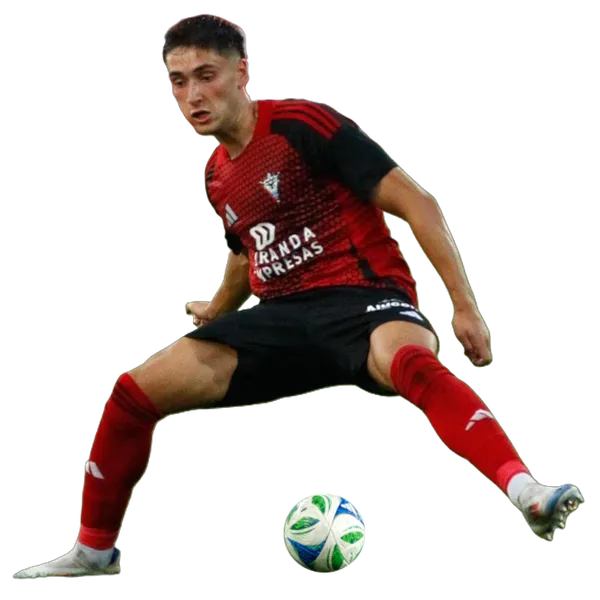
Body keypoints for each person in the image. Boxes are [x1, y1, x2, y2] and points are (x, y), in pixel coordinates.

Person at [12, 13, 583, 581]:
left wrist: (464, 305)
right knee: (133, 395)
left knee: (411, 363)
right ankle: (94, 552)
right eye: (178, 81)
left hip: (362, 297)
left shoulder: (300, 123)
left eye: (206, 75)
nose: (192, 95)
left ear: (242, 73)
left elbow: (416, 203)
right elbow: (246, 255)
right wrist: (217, 310)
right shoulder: (218, 174)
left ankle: (526, 491)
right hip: (283, 318)